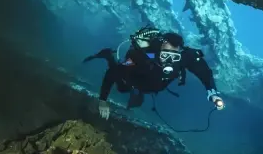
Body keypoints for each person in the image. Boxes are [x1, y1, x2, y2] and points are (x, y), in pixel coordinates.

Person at [84, 27, 225, 119]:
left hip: (153, 86)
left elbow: (204, 72)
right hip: (137, 79)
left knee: (138, 93)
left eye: (174, 57)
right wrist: (102, 100)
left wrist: (212, 93)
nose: (169, 62)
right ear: (158, 52)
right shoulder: (142, 57)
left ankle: (137, 93)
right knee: (122, 89)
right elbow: (112, 73)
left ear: (180, 54)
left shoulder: (184, 58)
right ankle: (108, 56)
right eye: (165, 56)